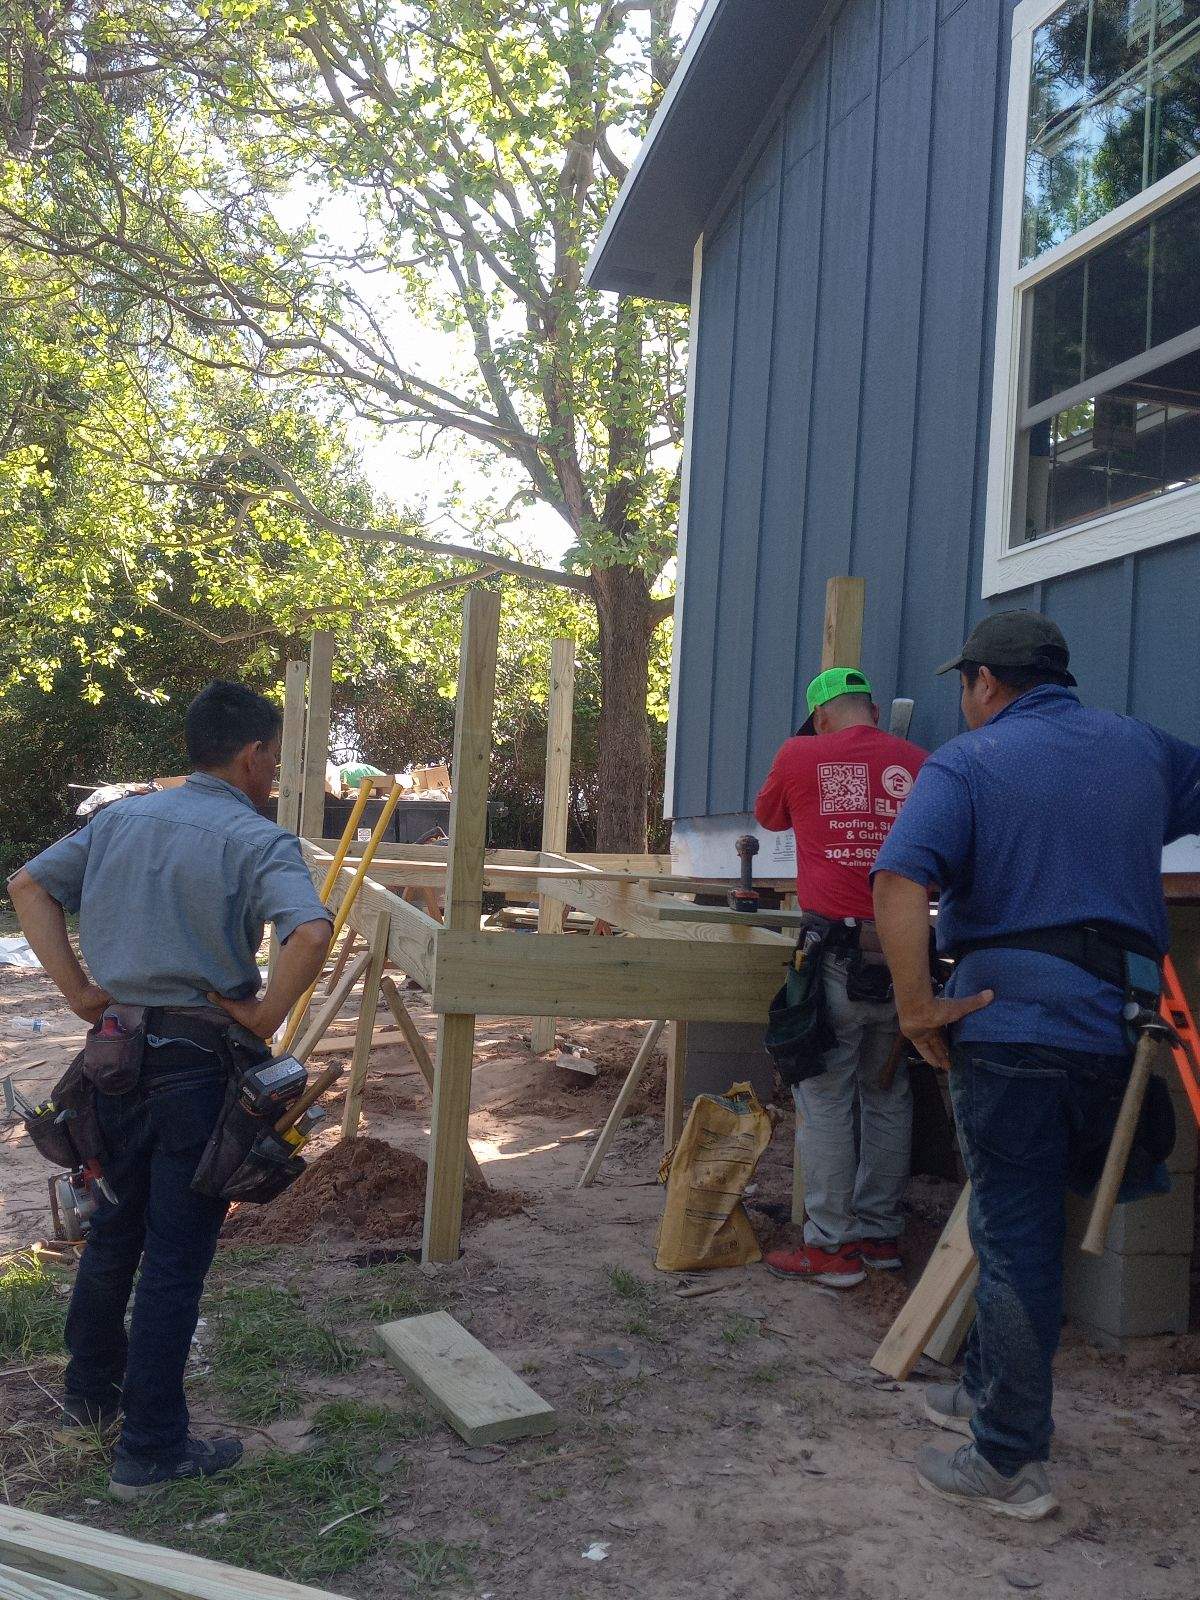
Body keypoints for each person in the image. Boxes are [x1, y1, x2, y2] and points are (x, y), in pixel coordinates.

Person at [872, 611, 1200, 1521]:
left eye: (964, 687)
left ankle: (1008, 1461)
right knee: (1024, 1224)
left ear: (982, 682)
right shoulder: (1140, 747)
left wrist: (914, 1009)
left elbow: (899, 881)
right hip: (1118, 1035)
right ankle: (985, 1390)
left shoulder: (968, 764)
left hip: (1011, 1028)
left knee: (1014, 1240)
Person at [8, 681, 333, 1499]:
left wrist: (83, 995)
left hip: (111, 1060)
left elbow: (28, 887)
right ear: (253, 754)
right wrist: (261, 1015)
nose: (273, 775)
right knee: (176, 1259)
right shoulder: (257, 839)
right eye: (274, 759)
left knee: (115, 1229)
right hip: (195, 1066)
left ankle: (89, 1401)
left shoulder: (118, 819)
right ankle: (150, 1449)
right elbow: (312, 930)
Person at [754, 667, 927, 1287]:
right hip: (907, 956)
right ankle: (880, 1237)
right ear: (873, 711)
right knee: (888, 1093)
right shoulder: (918, 760)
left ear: (821, 716)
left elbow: (770, 817)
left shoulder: (802, 753)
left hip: (836, 952)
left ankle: (831, 1246)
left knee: (825, 1096)